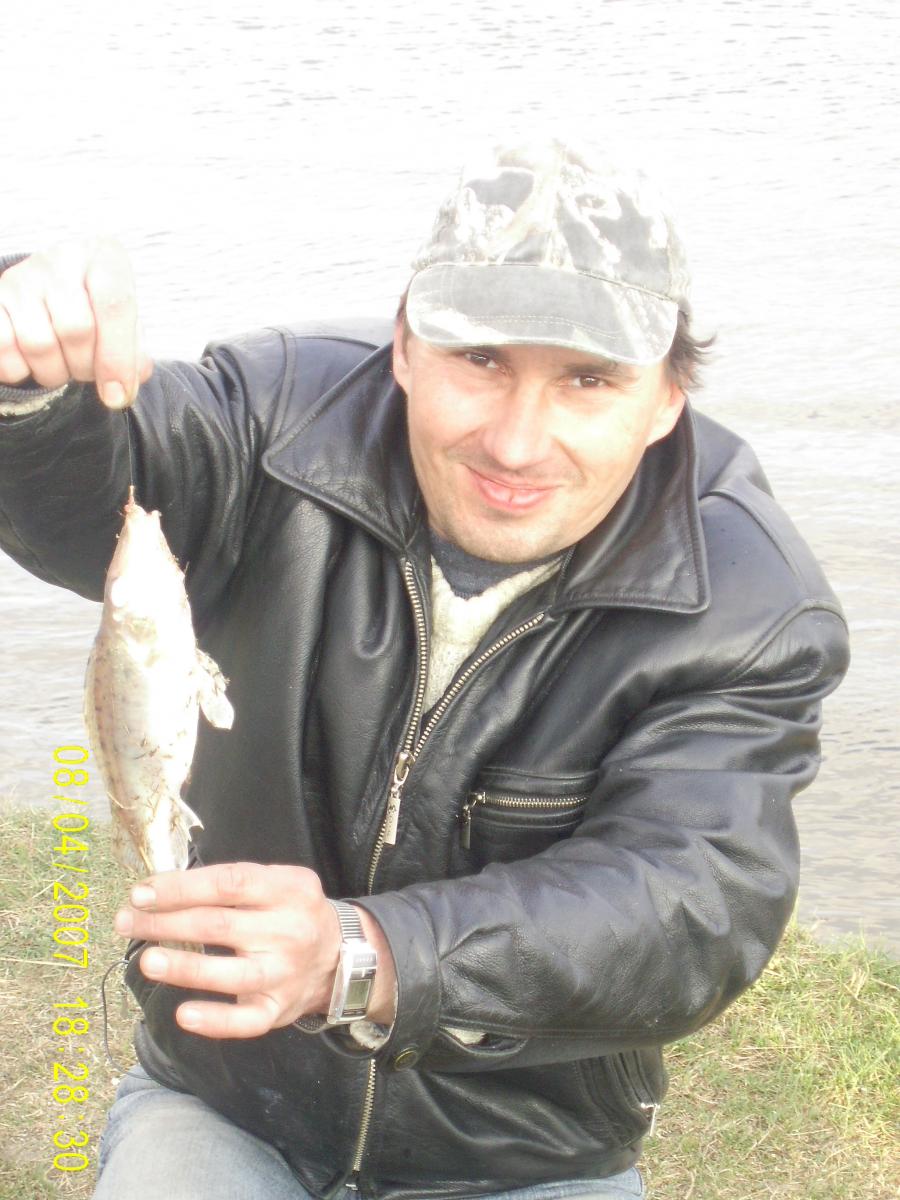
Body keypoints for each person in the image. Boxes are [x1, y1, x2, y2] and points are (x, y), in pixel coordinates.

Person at [0, 139, 849, 1200]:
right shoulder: (278, 417)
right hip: (231, 1092)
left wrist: (365, 956)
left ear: (668, 398)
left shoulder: (750, 602)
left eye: (589, 380)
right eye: (480, 360)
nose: (517, 443)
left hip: (517, 1148)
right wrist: (30, 377)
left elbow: (692, 902)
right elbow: (100, 491)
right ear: (404, 345)